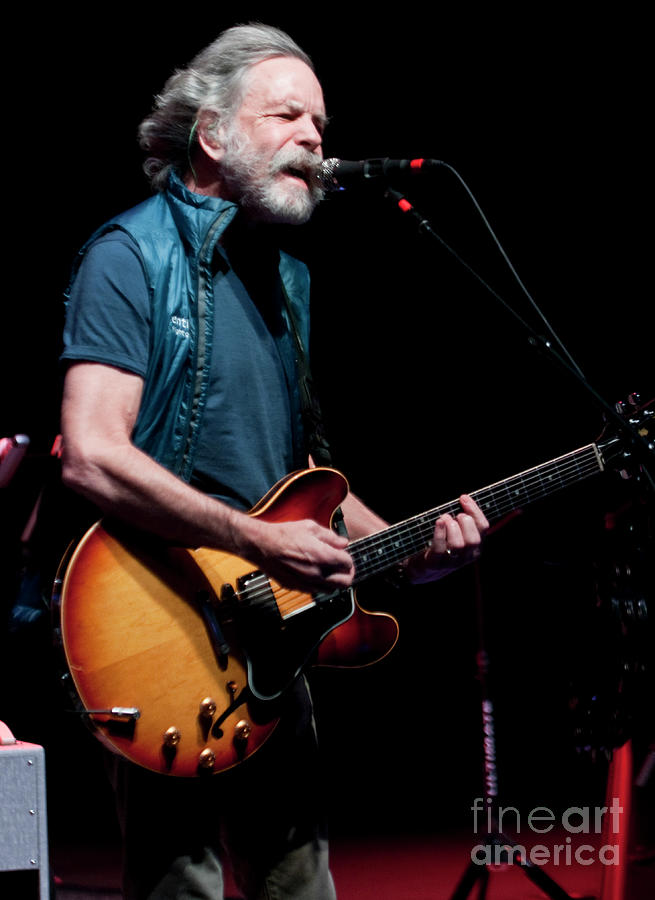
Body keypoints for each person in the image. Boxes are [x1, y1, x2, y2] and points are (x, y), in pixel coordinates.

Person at [60, 23, 489, 899]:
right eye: (288, 114)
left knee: (299, 882)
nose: (315, 140)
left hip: (267, 628)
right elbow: (94, 455)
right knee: (181, 885)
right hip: (158, 621)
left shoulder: (282, 275)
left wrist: (412, 545)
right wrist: (256, 541)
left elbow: (298, 478)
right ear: (212, 135)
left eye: (322, 125)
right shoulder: (128, 255)